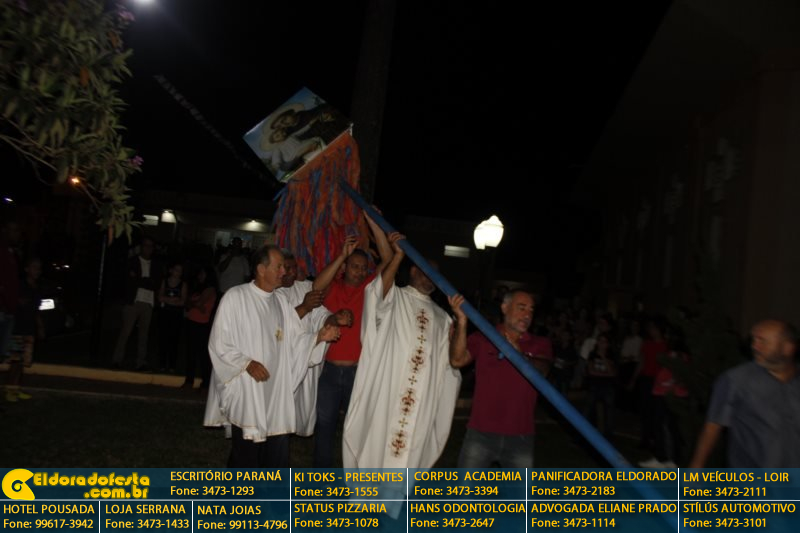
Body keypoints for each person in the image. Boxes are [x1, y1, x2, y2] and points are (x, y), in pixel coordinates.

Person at [203, 246, 340, 467]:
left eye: (284, 267)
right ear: (261, 269)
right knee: (246, 458)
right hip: (249, 391)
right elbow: (220, 342)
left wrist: (317, 337)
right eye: (279, 267)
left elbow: (294, 340)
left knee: (275, 457)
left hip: (276, 393)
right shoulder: (236, 297)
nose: (284, 272)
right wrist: (247, 363)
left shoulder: (281, 302)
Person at [343, 233, 462, 469]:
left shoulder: (443, 318)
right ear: (414, 271)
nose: (431, 278)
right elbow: (377, 293)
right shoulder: (395, 298)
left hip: (419, 400)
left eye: (435, 275)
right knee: (377, 443)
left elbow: (450, 363)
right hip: (388, 391)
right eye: (427, 272)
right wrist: (398, 256)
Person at [312, 212, 392, 467]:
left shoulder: (369, 288)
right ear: (345, 268)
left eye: (363, 268)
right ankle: (320, 479)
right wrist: (341, 256)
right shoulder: (333, 286)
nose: (360, 272)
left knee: (356, 428)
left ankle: (355, 477)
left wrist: (374, 222)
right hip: (329, 371)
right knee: (325, 425)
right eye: (355, 266)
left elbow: (388, 259)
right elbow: (316, 286)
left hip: (358, 372)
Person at [450, 289, 553, 468]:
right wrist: (462, 322)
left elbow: (543, 371)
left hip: (520, 437)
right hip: (480, 433)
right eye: (521, 308)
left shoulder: (540, 343)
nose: (527, 315)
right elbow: (457, 360)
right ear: (505, 308)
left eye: (531, 310)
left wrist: (520, 355)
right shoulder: (485, 336)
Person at [689, 319, 800, 468]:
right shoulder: (735, 380)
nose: (755, 346)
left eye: (763, 341)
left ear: (788, 348)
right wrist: (696, 468)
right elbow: (712, 427)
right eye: (754, 340)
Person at [277, 244, 356, 436]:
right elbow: (275, 326)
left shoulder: (304, 287)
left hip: (304, 359)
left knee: (296, 413)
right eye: (286, 268)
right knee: (276, 412)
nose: (291, 272)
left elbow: (320, 315)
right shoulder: (269, 292)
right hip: (280, 363)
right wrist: (304, 307)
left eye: (293, 267)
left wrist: (335, 319)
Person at [112, 236, 163, 371]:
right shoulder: (132, 262)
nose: (148, 248)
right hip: (133, 302)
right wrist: (145, 281)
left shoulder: (156, 265)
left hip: (148, 302)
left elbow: (156, 283)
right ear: (141, 247)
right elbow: (129, 281)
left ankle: (141, 362)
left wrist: (141, 280)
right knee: (126, 332)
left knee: (144, 335)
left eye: (150, 246)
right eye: (146, 245)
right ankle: (117, 359)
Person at [5, 257, 44, 402]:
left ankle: (16, 388)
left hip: (29, 329)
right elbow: (13, 303)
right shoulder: (20, 286)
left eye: (39, 268)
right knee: (15, 361)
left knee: (23, 362)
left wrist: (40, 326)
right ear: (27, 269)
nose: (37, 271)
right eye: (34, 267)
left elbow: (36, 310)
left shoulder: (37, 288)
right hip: (17, 328)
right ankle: (10, 390)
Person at [182, 265, 217, 390]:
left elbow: (198, 303)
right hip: (191, 322)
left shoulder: (210, 289)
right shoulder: (198, 288)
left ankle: (206, 383)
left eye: (202, 274)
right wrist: (194, 304)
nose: (199, 276)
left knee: (203, 355)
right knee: (190, 353)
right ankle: (189, 381)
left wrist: (193, 304)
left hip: (202, 325)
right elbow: (187, 303)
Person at [157, 261, 187, 373]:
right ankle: (162, 364)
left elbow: (182, 301)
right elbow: (160, 297)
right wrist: (173, 300)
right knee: (163, 339)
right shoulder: (165, 281)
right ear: (171, 270)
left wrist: (167, 300)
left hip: (176, 315)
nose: (178, 272)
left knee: (174, 340)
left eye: (180, 271)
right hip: (165, 314)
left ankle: (172, 365)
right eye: (176, 270)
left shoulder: (183, 284)